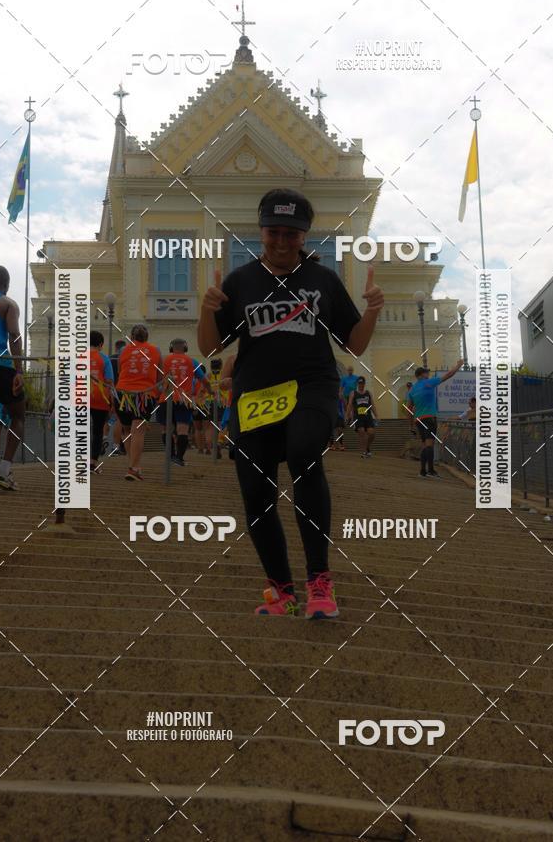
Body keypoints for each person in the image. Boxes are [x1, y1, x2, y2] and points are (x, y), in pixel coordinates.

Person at [198, 187, 384, 619]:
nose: (282, 242)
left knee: (303, 452)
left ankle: (320, 581)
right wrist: (207, 309)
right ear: (261, 232)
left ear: (305, 236)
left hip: (312, 387)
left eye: (292, 234)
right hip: (256, 394)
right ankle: (281, 590)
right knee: (256, 491)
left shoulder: (322, 280)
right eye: (273, 233)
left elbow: (353, 345)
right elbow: (211, 348)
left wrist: (372, 310)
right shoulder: (240, 281)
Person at [0, 266, 25, 490]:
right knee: (18, 416)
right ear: (7, 286)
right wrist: (19, 371)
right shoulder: (7, 304)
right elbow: (14, 335)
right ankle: (3, 472)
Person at [115, 324, 162, 481]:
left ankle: (133, 465)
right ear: (146, 337)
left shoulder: (124, 351)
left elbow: (121, 371)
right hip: (144, 395)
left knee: (127, 430)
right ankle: (133, 468)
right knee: (138, 430)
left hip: (122, 394)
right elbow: (160, 378)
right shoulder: (155, 351)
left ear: (132, 337)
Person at [406, 360, 464, 479]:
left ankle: (423, 472)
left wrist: (411, 425)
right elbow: (448, 375)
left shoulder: (412, 389)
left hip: (419, 420)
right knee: (429, 445)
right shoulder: (428, 383)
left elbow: (409, 408)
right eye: (427, 373)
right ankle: (431, 471)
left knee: (425, 445)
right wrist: (458, 365)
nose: (428, 374)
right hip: (429, 418)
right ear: (422, 375)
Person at [158, 338, 196, 466]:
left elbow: (157, 380)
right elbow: (203, 379)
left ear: (170, 348)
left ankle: (170, 455)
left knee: (166, 429)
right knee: (182, 429)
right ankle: (179, 458)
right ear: (185, 348)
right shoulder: (192, 361)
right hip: (183, 400)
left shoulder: (163, 360)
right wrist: (209, 391)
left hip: (165, 399)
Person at [89, 331, 114, 473]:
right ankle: (93, 463)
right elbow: (109, 381)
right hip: (100, 398)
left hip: (80, 398)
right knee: (98, 432)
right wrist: (112, 402)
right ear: (100, 345)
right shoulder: (104, 358)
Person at [347, 376, 378, 457]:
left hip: (368, 417)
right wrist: (347, 416)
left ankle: (367, 447)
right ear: (357, 384)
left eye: (362, 383)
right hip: (358, 417)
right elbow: (349, 405)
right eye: (360, 383)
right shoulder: (353, 393)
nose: (361, 385)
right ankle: (364, 452)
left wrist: (376, 416)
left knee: (372, 434)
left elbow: (372, 405)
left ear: (364, 384)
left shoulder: (368, 393)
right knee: (362, 432)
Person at [110, 340, 127, 455]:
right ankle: (116, 446)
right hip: (123, 390)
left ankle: (107, 440)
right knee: (121, 420)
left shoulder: (109, 358)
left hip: (111, 390)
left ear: (116, 347)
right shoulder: (126, 358)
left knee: (113, 419)